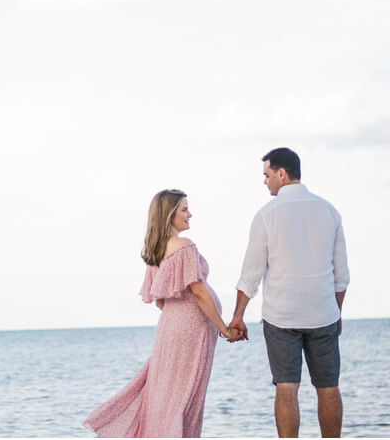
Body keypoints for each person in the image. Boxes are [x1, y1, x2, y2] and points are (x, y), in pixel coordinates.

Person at [84, 189, 241, 438]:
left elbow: (160, 301)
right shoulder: (184, 247)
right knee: (186, 397)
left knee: (166, 396)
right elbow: (199, 291)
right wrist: (224, 329)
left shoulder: (156, 251)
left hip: (170, 329)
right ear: (170, 215)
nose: (190, 214)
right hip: (191, 332)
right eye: (184, 209)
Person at [227, 147, 349, 438]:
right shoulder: (329, 211)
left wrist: (237, 317)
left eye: (267, 175)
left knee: (286, 386)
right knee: (328, 386)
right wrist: (337, 313)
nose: (265, 181)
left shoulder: (267, 214)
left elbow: (251, 274)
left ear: (282, 174)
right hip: (323, 314)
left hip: (281, 318)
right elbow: (341, 276)